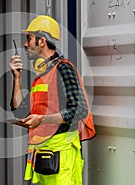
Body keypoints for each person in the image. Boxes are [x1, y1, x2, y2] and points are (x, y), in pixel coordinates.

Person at [9, 15, 95, 185]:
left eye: (29, 38)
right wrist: (16, 78)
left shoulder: (64, 69)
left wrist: (42, 119)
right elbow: (20, 110)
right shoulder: (42, 76)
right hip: (44, 160)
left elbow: (79, 110)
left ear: (42, 41)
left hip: (62, 161)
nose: (25, 44)